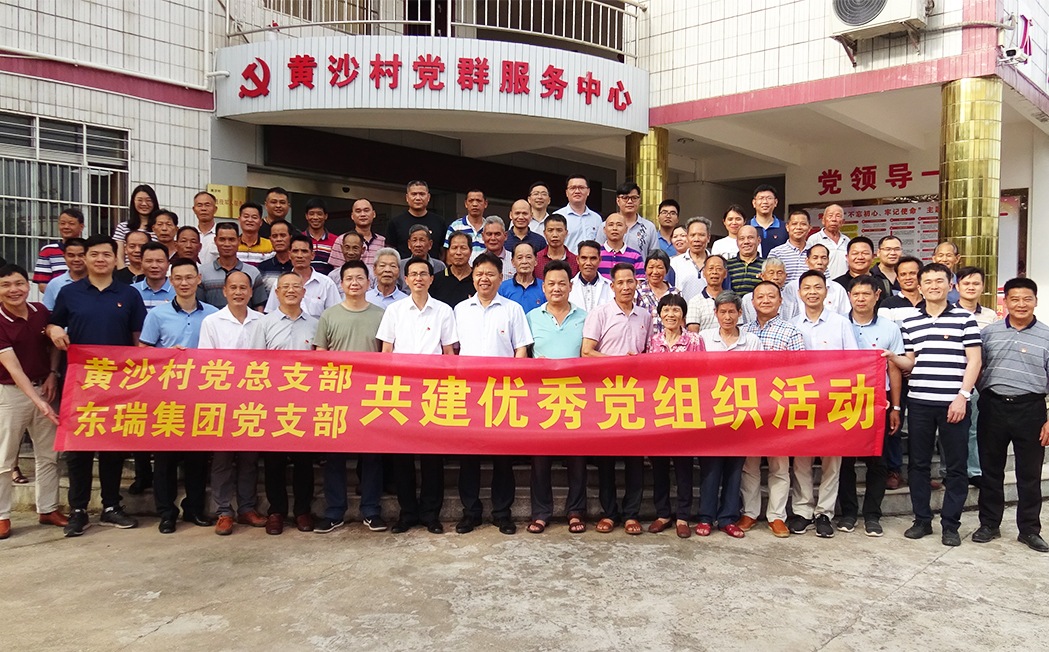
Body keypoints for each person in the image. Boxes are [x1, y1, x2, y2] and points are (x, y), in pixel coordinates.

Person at [47, 234, 147, 536]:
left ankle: (111, 506)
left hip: (118, 383)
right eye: (94, 254)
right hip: (80, 382)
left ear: (116, 259)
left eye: (106, 254)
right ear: (84, 258)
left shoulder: (129, 294)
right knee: (78, 449)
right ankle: (78, 509)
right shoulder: (69, 292)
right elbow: (53, 324)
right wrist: (52, 330)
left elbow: (138, 339)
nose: (100, 259)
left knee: (112, 447)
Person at [883, 263, 981, 547]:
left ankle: (951, 524)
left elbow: (974, 360)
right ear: (920, 287)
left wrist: (963, 396)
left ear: (950, 285)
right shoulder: (910, 322)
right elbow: (911, 362)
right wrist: (891, 357)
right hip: (920, 403)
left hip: (954, 404)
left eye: (940, 281)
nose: (934, 286)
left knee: (956, 467)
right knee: (918, 465)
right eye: (928, 281)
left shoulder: (965, 319)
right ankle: (922, 520)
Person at [376, 256, 458, 534]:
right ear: (406, 279)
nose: (419, 278)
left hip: (434, 390)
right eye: (413, 274)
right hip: (401, 390)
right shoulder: (395, 310)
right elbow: (386, 351)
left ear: (431, 279)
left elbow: (448, 352)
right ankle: (407, 512)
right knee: (403, 455)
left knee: (432, 456)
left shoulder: (444, 311)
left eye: (424, 274)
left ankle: (430, 514)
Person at [454, 252, 533, 535]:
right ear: (472, 277)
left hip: (502, 393)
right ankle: (470, 512)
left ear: (501, 278)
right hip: (468, 392)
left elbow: (521, 349)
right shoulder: (460, 309)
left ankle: (502, 513)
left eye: (490, 274)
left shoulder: (512, 309)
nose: (484, 279)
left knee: (503, 456)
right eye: (479, 274)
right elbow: (453, 349)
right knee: (468, 457)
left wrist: (513, 383)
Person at [138, 258, 217, 534]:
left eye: (189, 277)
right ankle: (166, 512)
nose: (184, 283)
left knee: (197, 459)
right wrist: (167, 356)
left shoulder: (213, 315)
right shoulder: (157, 315)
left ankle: (193, 508)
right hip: (166, 397)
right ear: (171, 281)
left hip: (201, 396)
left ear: (198, 280)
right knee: (165, 460)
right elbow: (143, 352)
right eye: (179, 278)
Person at [972, 277, 1049, 553]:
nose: (1021, 304)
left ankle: (1029, 530)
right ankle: (989, 524)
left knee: (1029, 474)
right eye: (1014, 299)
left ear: (1035, 301)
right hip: (993, 407)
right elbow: (976, 367)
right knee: (990, 470)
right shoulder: (988, 333)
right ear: (1005, 302)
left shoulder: (1047, 335)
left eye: (1027, 299)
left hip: (1031, 410)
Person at [313, 260, 388, 534]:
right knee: (334, 456)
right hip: (337, 395)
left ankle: (371, 510)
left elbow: (387, 354)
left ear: (369, 283)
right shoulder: (329, 315)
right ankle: (334, 511)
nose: (354, 283)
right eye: (349, 279)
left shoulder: (381, 315)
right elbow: (320, 355)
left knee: (372, 456)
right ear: (341, 284)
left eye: (359, 278)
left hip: (370, 395)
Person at [582, 262, 652, 535]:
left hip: (636, 394)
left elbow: (647, 352)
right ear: (611, 286)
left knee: (635, 458)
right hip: (605, 393)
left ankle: (632, 513)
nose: (625, 287)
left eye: (630, 281)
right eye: (620, 282)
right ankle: (609, 513)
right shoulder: (599, 313)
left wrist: (637, 362)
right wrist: (619, 362)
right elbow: (587, 352)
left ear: (637, 284)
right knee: (606, 458)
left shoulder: (645, 315)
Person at [789, 270, 858, 538]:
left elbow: (853, 361)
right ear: (799, 293)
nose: (812, 292)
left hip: (833, 398)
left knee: (832, 459)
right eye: (807, 288)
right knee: (801, 459)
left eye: (818, 287)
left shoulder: (840, 323)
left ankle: (824, 513)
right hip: (802, 399)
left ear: (826, 292)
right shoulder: (792, 324)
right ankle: (803, 511)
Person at [197, 270, 266, 536]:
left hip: (254, 399)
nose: (238, 292)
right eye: (233, 288)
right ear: (224, 291)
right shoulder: (212, 322)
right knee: (222, 458)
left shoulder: (263, 321)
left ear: (251, 292)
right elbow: (206, 363)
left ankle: (247, 508)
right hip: (223, 399)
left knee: (249, 457)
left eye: (243, 288)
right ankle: (223, 511)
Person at [250, 272, 319, 535]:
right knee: (274, 461)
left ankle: (302, 510)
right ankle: (276, 511)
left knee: (304, 461)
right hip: (273, 402)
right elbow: (255, 364)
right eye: (285, 287)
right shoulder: (263, 324)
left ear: (304, 292)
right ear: (276, 293)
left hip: (305, 403)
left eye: (296, 286)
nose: (291, 290)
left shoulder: (315, 324)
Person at [0, 264, 64, 540]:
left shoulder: (40, 312)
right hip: (11, 394)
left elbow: (52, 345)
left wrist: (52, 374)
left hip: (45, 388)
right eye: (5, 285)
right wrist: (39, 402)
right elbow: (14, 369)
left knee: (49, 455)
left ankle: (48, 509)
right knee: (4, 457)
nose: (14, 290)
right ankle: (2, 515)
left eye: (19, 283)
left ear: (28, 286)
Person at [738, 281, 805, 538]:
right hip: (750, 406)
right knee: (750, 464)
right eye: (760, 297)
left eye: (771, 296)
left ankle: (777, 516)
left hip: (779, 405)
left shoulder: (791, 331)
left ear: (780, 301)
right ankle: (749, 512)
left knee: (779, 464)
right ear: (752, 302)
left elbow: (800, 370)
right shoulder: (743, 331)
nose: (765, 300)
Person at [838, 275, 904, 537]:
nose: (861, 299)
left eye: (866, 294)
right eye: (856, 294)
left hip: (879, 399)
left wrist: (896, 407)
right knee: (845, 461)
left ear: (877, 296)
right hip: (844, 399)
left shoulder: (890, 328)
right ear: (849, 297)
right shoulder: (839, 324)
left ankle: (872, 515)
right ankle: (849, 513)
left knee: (877, 459)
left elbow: (894, 369)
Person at [527, 260, 588, 534]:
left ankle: (576, 511)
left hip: (577, 396)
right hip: (541, 397)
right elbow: (522, 355)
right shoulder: (531, 317)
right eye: (551, 283)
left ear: (571, 286)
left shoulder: (585, 317)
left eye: (562, 283)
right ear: (543, 287)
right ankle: (541, 513)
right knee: (540, 459)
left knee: (577, 458)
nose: (556, 288)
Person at [697, 291, 763, 538]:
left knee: (735, 468)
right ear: (715, 313)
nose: (727, 317)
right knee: (710, 467)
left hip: (740, 413)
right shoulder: (704, 338)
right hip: (710, 413)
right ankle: (705, 517)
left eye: (732, 312)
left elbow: (760, 374)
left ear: (740, 313)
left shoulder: (751, 341)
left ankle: (727, 518)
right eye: (722, 312)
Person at [647, 293, 704, 538]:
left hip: (685, 409)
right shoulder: (653, 341)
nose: (670, 315)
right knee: (658, 465)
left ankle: (683, 516)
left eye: (676, 310)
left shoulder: (694, 340)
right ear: (659, 314)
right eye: (666, 310)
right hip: (658, 409)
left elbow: (702, 372)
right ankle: (662, 514)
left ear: (683, 315)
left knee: (683, 466)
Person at [877, 254, 924, 489]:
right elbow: (887, 340)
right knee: (894, 422)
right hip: (896, 372)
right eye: (902, 274)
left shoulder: (932, 303)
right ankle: (894, 470)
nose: (907, 277)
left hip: (927, 375)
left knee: (921, 427)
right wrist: (902, 364)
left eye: (912, 273)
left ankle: (920, 472)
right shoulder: (888, 305)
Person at [955, 266, 999, 487]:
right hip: (954, 378)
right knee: (952, 429)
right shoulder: (948, 312)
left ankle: (973, 470)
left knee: (974, 428)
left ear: (982, 287)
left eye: (975, 283)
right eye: (966, 283)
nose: (970, 287)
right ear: (957, 287)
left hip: (980, 381)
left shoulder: (990, 316)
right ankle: (950, 470)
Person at [263, 234, 341, 319]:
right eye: (295, 251)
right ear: (289, 255)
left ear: (312, 255)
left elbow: (335, 316)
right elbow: (272, 315)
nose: (299, 255)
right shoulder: (280, 283)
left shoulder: (326, 283)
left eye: (304, 251)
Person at [197, 222, 269, 311]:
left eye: (231, 239)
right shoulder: (202, 272)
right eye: (222, 239)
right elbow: (199, 306)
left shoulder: (253, 272)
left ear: (238, 241)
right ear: (215, 241)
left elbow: (259, 307)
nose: (227, 244)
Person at [782, 244, 850, 316]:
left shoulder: (837, 289)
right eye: (815, 258)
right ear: (807, 261)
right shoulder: (792, 287)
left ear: (828, 261)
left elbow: (845, 315)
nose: (819, 262)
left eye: (823, 258)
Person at [387, 180, 445, 259]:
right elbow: (390, 251)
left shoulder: (439, 222)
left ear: (428, 197)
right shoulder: (395, 223)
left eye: (422, 194)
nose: (418, 198)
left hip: (433, 266)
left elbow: (443, 251)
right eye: (414, 194)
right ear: (407, 197)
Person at [33, 207, 84, 291]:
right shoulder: (48, 250)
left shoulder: (89, 249)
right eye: (63, 223)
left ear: (81, 226)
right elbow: (42, 284)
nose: (66, 227)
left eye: (71, 223)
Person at [328, 198, 386, 269]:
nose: (362, 214)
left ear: (373, 214)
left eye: (366, 210)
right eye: (358, 211)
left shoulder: (382, 241)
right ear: (352, 216)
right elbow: (337, 271)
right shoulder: (341, 240)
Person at [113, 184, 159, 266]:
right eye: (139, 200)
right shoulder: (123, 227)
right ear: (133, 202)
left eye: (148, 200)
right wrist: (123, 272)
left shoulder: (159, 228)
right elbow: (119, 257)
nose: (144, 204)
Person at [555, 174, 603, 254]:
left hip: (590, 261)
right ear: (567, 192)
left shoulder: (596, 218)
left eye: (581, 188)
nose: (577, 191)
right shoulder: (557, 216)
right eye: (572, 188)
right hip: (565, 261)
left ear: (588, 191)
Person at [634, 249, 680, 332]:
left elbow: (681, 322)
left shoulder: (675, 293)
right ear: (645, 269)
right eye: (651, 267)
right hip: (645, 339)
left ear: (667, 270)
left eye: (660, 267)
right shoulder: (637, 292)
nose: (655, 272)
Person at [607, 182, 658, 254]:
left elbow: (654, 256)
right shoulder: (607, 226)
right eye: (625, 198)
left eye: (634, 198)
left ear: (639, 201)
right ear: (618, 201)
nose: (630, 201)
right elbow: (598, 252)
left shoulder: (649, 227)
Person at [669, 216, 711, 300]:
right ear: (687, 237)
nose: (696, 239)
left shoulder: (716, 263)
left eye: (701, 235)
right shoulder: (674, 263)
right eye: (692, 235)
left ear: (708, 238)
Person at [686, 254, 730, 333]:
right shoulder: (695, 302)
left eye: (718, 269)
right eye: (710, 268)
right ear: (704, 273)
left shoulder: (732, 301)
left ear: (725, 274)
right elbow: (693, 334)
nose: (714, 272)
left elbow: (738, 329)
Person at [741, 257, 794, 323]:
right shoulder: (747, 299)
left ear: (786, 276)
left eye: (780, 273)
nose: (775, 277)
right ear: (762, 276)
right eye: (771, 273)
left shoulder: (792, 301)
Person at [429, 232, 475, 307]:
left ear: (470, 251)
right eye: (454, 248)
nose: (458, 252)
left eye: (463, 248)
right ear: (448, 251)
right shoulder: (436, 280)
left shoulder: (477, 280)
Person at [498, 242, 544, 314]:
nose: (524, 262)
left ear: (535, 261)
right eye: (520, 258)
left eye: (528, 257)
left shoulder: (544, 287)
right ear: (513, 262)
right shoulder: (502, 288)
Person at [41, 237, 87, 310]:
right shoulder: (54, 284)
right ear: (64, 257)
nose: (76, 259)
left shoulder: (98, 281)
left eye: (81, 255)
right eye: (71, 255)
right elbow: (49, 312)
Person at [806, 204, 850, 279]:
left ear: (843, 222)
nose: (834, 219)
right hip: (822, 282)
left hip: (844, 283)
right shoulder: (814, 239)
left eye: (838, 216)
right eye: (830, 216)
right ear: (823, 220)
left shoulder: (847, 241)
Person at [768, 209, 811, 283]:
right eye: (794, 224)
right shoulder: (776, 253)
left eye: (803, 224)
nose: (798, 227)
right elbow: (770, 280)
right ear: (787, 227)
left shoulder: (815, 253)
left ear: (809, 228)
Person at [568, 240, 613, 312]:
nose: (588, 263)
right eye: (584, 258)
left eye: (593, 258)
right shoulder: (568, 287)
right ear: (578, 259)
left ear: (599, 260)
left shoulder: (610, 287)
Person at [599, 213, 645, 279]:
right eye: (611, 225)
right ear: (604, 229)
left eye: (619, 225)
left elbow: (639, 282)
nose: (614, 228)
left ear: (626, 229)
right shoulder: (596, 254)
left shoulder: (636, 256)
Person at [399, 224, 446, 289]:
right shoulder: (400, 266)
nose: (418, 245)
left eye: (422, 240)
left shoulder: (440, 266)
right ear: (409, 244)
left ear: (430, 244)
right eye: (414, 240)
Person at [132, 242, 175, 311]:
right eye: (149, 261)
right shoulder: (132, 291)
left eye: (159, 261)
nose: (154, 266)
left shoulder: (178, 291)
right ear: (141, 265)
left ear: (168, 265)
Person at [444, 189, 489, 255]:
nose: (475, 204)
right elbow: (448, 253)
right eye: (471, 201)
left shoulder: (490, 227)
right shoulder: (455, 226)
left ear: (485, 204)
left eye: (478, 201)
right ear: (466, 204)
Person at [534, 214, 578, 279]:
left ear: (566, 233)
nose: (555, 235)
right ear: (544, 233)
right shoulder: (535, 260)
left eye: (559, 230)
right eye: (550, 230)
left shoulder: (576, 261)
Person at [256, 219, 294, 293]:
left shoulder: (298, 265)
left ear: (290, 237)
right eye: (274, 236)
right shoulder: (263, 268)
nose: (279, 239)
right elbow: (260, 296)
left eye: (283, 235)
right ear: (270, 239)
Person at [302, 197, 338, 275]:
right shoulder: (299, 239)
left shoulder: (336, 241)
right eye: (311, 214)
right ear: (306, 216)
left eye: (319, 214)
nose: (315, 217)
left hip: (328, 281)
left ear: (325, 216)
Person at [726, 225, 764, 295]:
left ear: (758, 240)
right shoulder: (727, 265)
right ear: (737, 242)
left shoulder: (766, 265)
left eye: (750, 237)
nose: (746, 242)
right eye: (742, 238)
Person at [750, 185, 787, 256]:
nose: (765, 202)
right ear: (754, 203)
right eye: (761, 198)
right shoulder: (746, 227)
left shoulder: (785, 228)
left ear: (775, 202)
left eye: (769, 198)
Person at [236, 202, 275, 267]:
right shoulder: (232, 244)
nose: (250, 220)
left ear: (261, 222)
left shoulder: (270, 246)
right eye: (246, 216)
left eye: (254, 217)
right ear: (239, 219)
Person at [193, 191, 219, 266]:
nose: (203, 209)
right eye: (199, 205)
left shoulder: (221, 235)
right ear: (194, 209)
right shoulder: (191, 235)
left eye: (207, 205)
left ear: (215, 209)